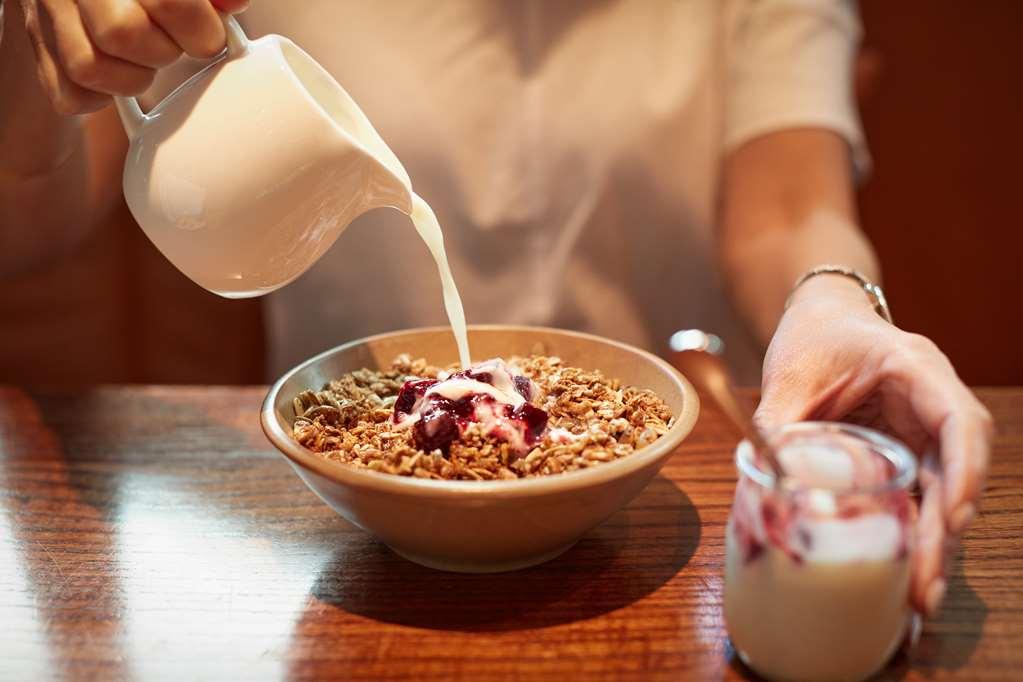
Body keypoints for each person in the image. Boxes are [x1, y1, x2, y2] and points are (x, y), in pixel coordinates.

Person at [0, 0, 992, 619]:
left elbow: (788, 202)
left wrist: (837, 300)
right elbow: (31, 229)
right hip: (335, 551)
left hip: (663, 530)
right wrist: (39, 66)